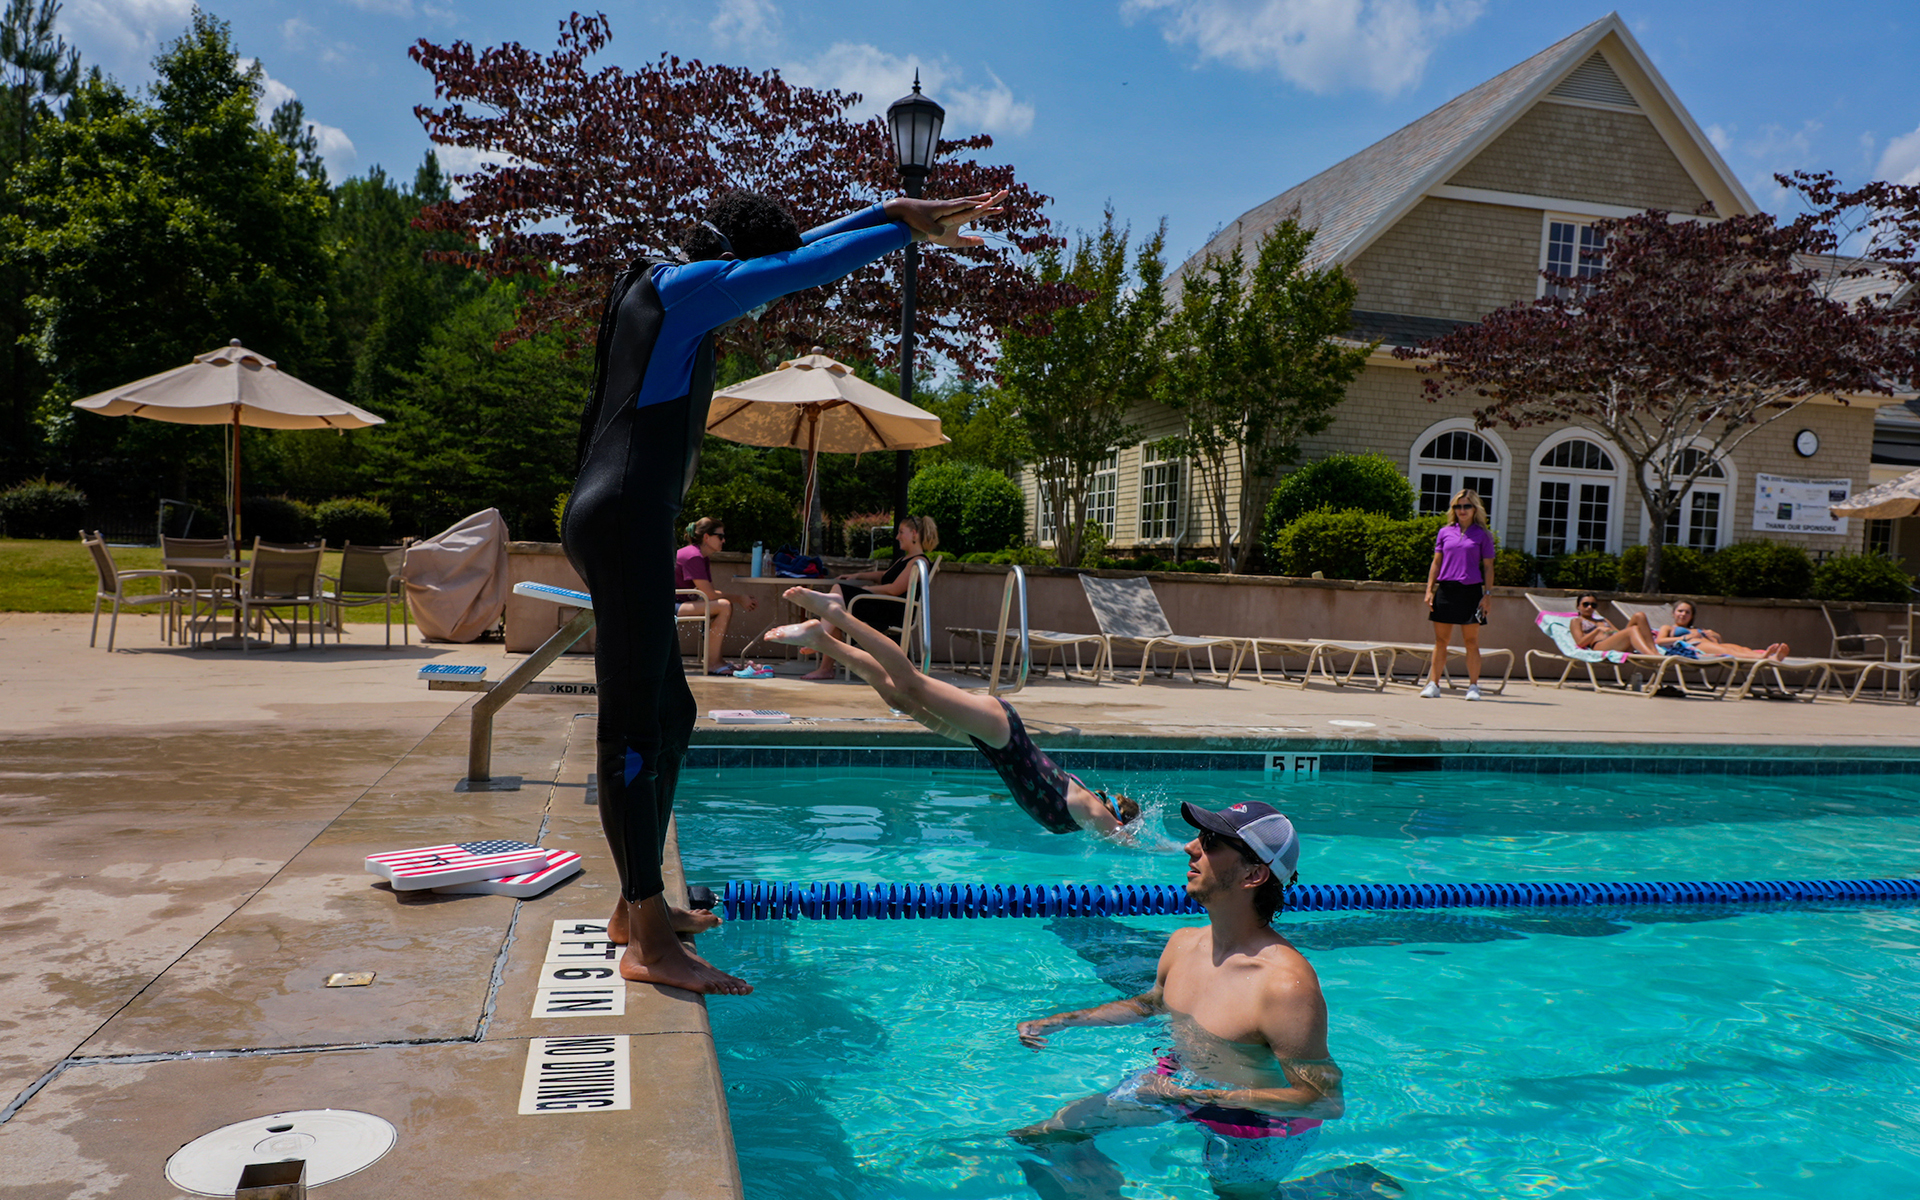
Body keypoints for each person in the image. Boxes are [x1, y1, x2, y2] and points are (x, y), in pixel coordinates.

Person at [561, 186, 1005, 995]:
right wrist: (901, 231)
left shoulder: (666, 281)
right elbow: (801, 266)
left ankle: (636, 907)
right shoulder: (684, 289)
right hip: (622, 519)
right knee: (632, 728)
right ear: (733, 261)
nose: (755, 301)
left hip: (625, 519)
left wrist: (891, 207)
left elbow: (792, 253)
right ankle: (647, 941)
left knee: (672, 715)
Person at [1010, 801, 1355, 1200]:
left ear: (1254, 874)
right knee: (1048, 1136)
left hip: (1256, 1127)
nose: (1190, 847)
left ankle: (1340, 1190)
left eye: (1211, 842)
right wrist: (1061, 1021)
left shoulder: (1284, 986)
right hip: (1176, 1084)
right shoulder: (1183, 944)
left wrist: (1198, 1098)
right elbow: (1150, 1005)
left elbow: (1324, 1101)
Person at [766, 586, 1139, 836]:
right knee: (911, 683)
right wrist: (1158, 849)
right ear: (1114, 815)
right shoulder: (1089, 807)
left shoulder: (1078, 816)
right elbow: (1128, 843)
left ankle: (822, 640)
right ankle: (838, 613)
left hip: (992, 746)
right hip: (1002, 732)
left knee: (900, 699)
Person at [801, 514, 938, 680]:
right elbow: (883, 576)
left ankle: (818, 640)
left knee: (837, 593)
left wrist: (867, 590)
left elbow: (894, 589)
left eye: (901, 532)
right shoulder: (905, 559)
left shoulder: (919, 562)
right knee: (834, 610)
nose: (897, 537)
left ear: (914, 534)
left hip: (891, 613)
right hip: (884, 606)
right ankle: (825, 668)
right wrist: (858, 575)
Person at [1419, 488, 1498, 701]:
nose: (1462, 510)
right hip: (1446, 590)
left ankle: (1473, 686)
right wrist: (1429, 589)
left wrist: (1487, 595)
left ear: (1475, 508)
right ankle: (1434, 684)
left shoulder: (1483, 535)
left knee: (1471, 641)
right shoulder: (1445, 532)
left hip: (1471, 591)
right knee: (1440, 640)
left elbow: (1488, 567)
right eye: (1458, 506)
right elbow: (1436, 562)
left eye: (1467, 506)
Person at [675, 516, 760, 675]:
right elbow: (710, 594)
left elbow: (709, 594)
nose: (724, 540)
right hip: (669, 605)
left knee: (721, 605)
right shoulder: (693, 556)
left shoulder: (702, 557)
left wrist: (737, 598)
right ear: (707, 537)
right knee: (723, 606)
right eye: (720, 536)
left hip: (678, 601)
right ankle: (713, 663)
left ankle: (716, 660)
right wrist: (740, 598)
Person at [1657, 599, 1787, 660]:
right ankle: (1764, 657)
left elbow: (1717, 644)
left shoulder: (1696, 629)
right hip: (1693, 646)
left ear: (1692, 616)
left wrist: (1716, 636)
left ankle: (1771, 657)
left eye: (1687, 612)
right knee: (1727, 651)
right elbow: (1659, 641)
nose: (1683, 614)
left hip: (1707, 645)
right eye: (1680, 611)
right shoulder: (1669, 627)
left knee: (1740, 648)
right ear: (1673, 613)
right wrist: (1684, 637)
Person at [1568, 593, 1659, 656]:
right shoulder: (1576, 621)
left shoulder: (1603, 620)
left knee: (1640, 616)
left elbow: (1617, 632)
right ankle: (1651, 655)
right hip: (1599, 645)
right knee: (1633, 629)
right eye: (1586, 604)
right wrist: (1597, 630)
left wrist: (1609, 632)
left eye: (1593, 605)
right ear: (1578, 606)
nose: (1589, 607)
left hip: (1615, 642)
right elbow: (1580, 643)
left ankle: (1654, 651)